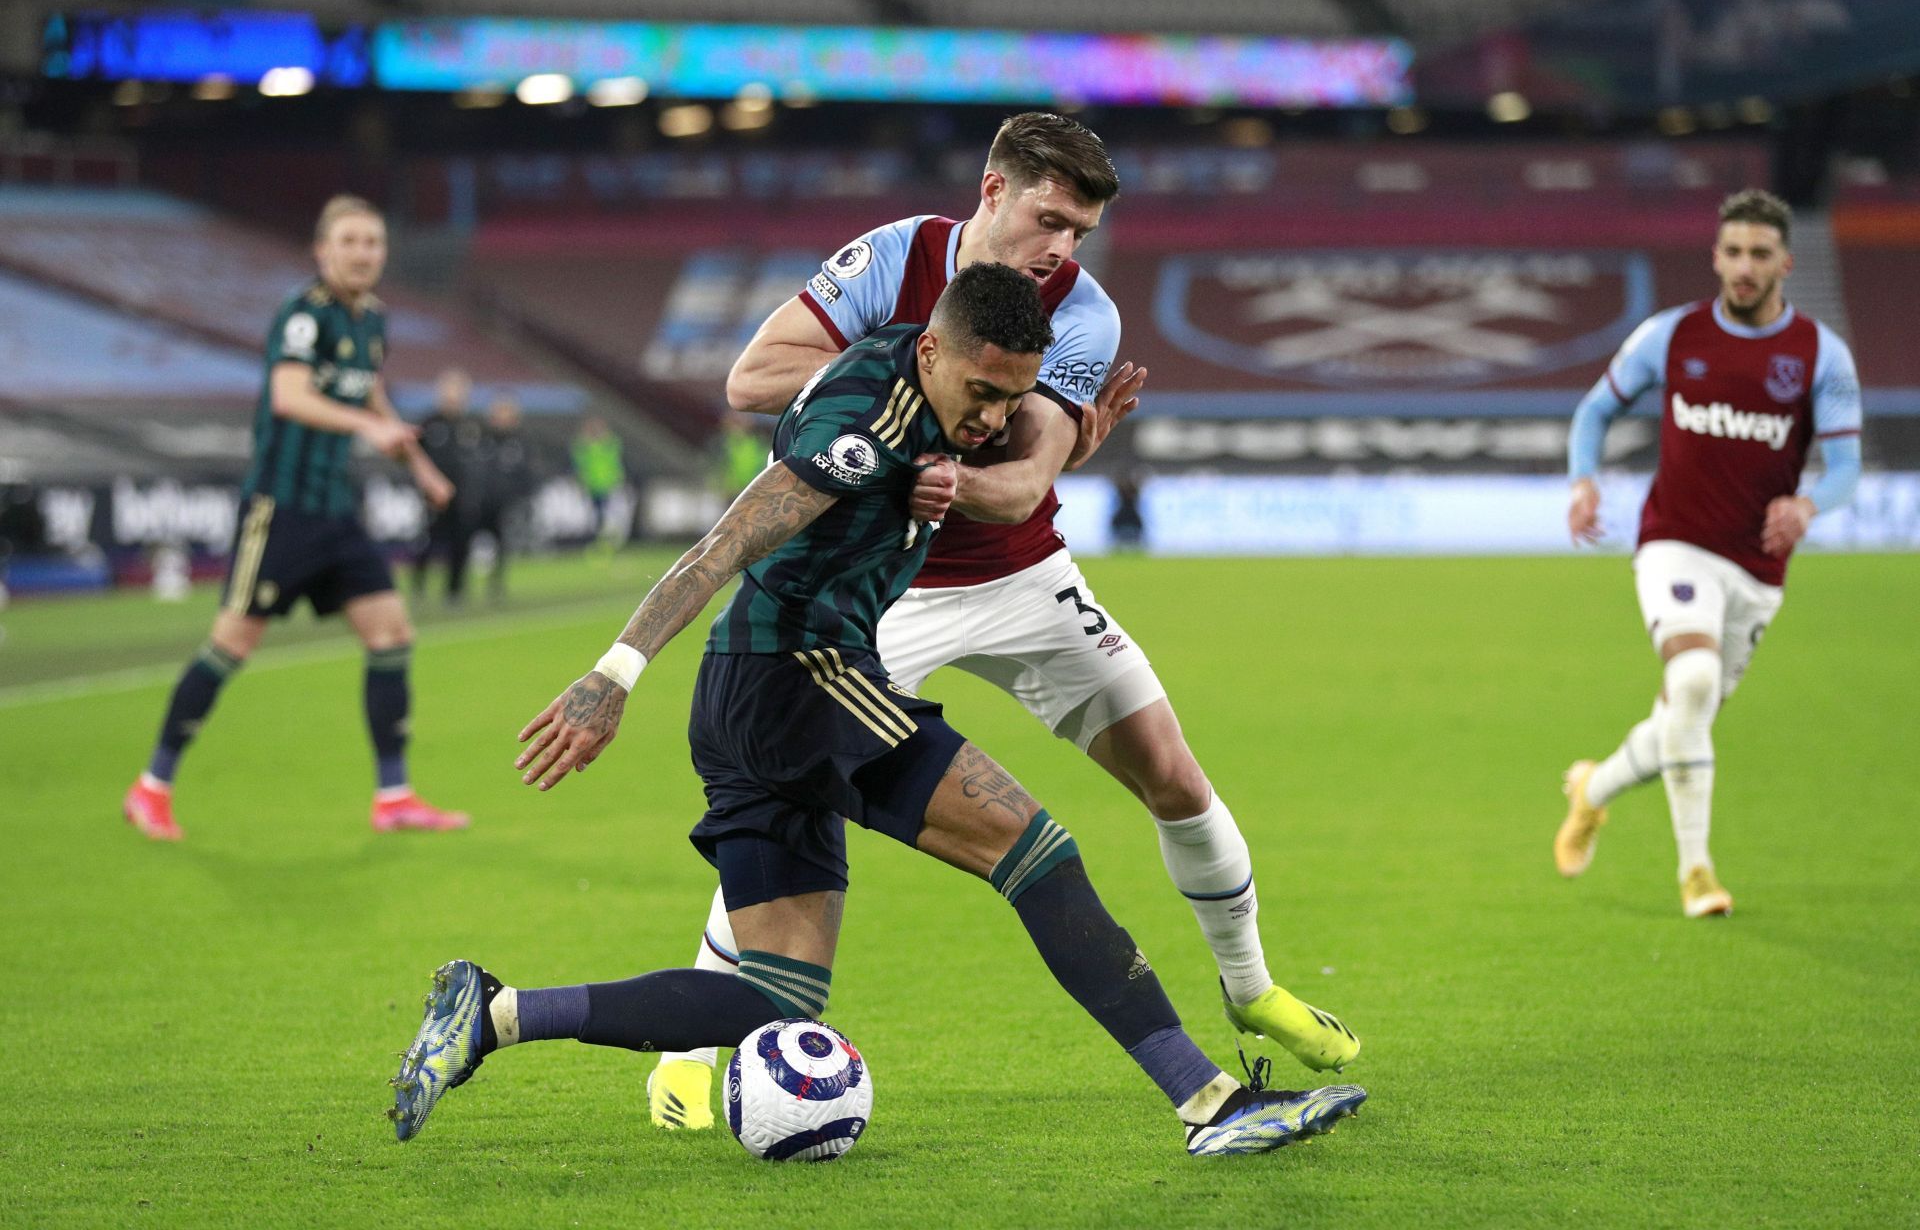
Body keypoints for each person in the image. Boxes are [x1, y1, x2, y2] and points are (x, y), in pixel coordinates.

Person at [386, 265, 1367, 1156]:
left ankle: (493, 1012)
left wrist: (1023, 446)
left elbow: (984, 453)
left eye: (1011, 398)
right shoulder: (859, 437)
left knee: (769, 995)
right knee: (1036, 850)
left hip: (748, 694)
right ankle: (1208, 1103)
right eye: (980, 394)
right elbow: (721, 546)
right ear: (932, 352)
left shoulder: (930, 379)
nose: (991, 417)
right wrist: (615, 670)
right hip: (802, 673)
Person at [648, 112, 1357, 1130]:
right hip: (881, 590)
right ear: (993, 190)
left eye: (1080, 230)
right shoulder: (893, 258)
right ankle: (687, 1048)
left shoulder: (1085, 314)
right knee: (796, 777)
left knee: (1170, 768)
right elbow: (747, 379)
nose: (1061, 248)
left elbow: (1022, 484)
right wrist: (894, 410)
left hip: (1021, 576)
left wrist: (934, 456)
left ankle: (1252, 988)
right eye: (1048, 218)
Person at [120, 195, 469, 840]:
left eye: (373, 243)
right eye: (351, 242)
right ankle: (151, 786)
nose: (364, 253)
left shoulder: (374, 320)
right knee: (232, 643)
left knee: (391, 634)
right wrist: (370, 428)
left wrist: (417, 466)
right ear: (323, 251)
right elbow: (288, 395)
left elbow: (369, 387)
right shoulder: (303, 315)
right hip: (280, 510)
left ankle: (393, 797)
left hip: (337, 510)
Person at [1555, 189, 1863, 916]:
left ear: (1786, 261)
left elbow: (1848, 465)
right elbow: (1596, 409)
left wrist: (1808, 503)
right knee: (1691, 680)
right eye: (1733, 252)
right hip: (1674, 544)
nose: (1745, 267)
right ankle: (1697, 872)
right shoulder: (1672, 335)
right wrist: (1583, 483)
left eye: (1760, 254)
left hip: (1756, 568)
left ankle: (1591, 790)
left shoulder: (1820, 355)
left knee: (1683, 718)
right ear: (1716, 257)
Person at [412, 368, 486, 603]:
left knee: (461, 542)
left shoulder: (471, 425)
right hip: (432, 495)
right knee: (426, 542)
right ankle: (418, 587)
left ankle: (455, 590)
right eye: (449, 390)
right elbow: (415, 456)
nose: (453, 396)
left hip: (463, 495)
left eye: (459, 391)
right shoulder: (429, 423)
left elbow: (480, 460)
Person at [472, 394, 534, 602]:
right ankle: (459, 587)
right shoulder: (483, 440)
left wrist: (520, 499)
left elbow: (526, 474)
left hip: (505, 504)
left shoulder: (519, 443)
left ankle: (495, 584)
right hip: (481, 502)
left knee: (501, 546)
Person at [572, 416, 625, 550]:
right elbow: (578, 461)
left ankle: (611, 540)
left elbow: (616, 457)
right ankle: (599, 540)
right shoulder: (584, 446)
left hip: (609, 485)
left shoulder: (609, 444)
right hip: (592, 486)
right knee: (596, 515)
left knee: (611, 515)